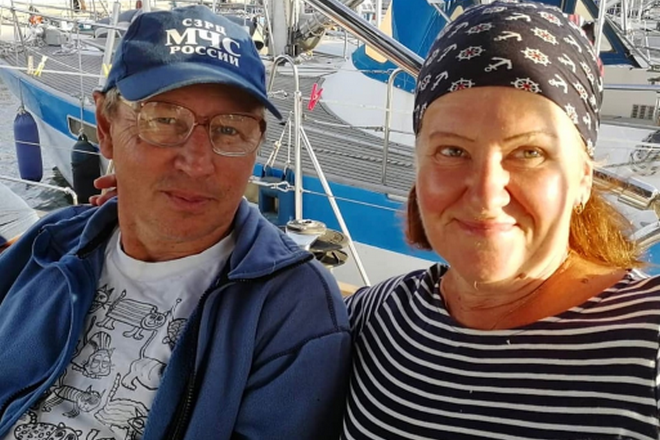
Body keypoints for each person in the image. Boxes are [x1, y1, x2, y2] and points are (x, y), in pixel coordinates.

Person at [0, 5, 350, 440]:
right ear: (106, 127)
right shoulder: (52, 242)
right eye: (164, 120)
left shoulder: (290, 309)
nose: (198, 163)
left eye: (230, 129)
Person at [342, 2, 660, 440]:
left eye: (529, 152)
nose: (487, 193)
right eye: (452, 151)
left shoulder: (648, 345)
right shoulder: (374, 320)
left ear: (583, 178)